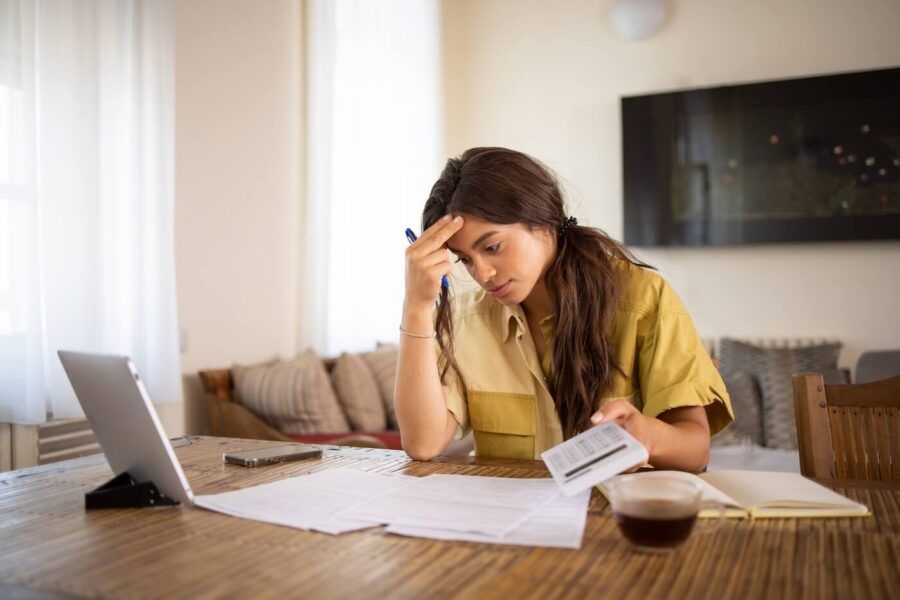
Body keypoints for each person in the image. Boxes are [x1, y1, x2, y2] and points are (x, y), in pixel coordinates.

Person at [395, 147, 733, 471]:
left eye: (493, 247)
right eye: (465, 259)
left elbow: (695, 451)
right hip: (510, 518)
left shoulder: (641, 299)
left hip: (611, 520)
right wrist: (416, 305)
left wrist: (648, 435)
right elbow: (422, 444)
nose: (481, 274)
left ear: (542, 222)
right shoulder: (468, 319)